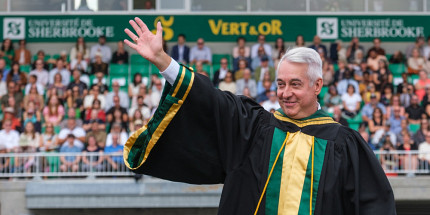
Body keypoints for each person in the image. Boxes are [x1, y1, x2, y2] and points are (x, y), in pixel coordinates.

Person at [123, 18, 395, 214]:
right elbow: (213, 100)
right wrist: (163, 61)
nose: (286, 93)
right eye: (280, 84)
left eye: (295, 84)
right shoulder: (256, 129)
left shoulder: (344, 144)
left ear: (318, 85)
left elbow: (374, 205)